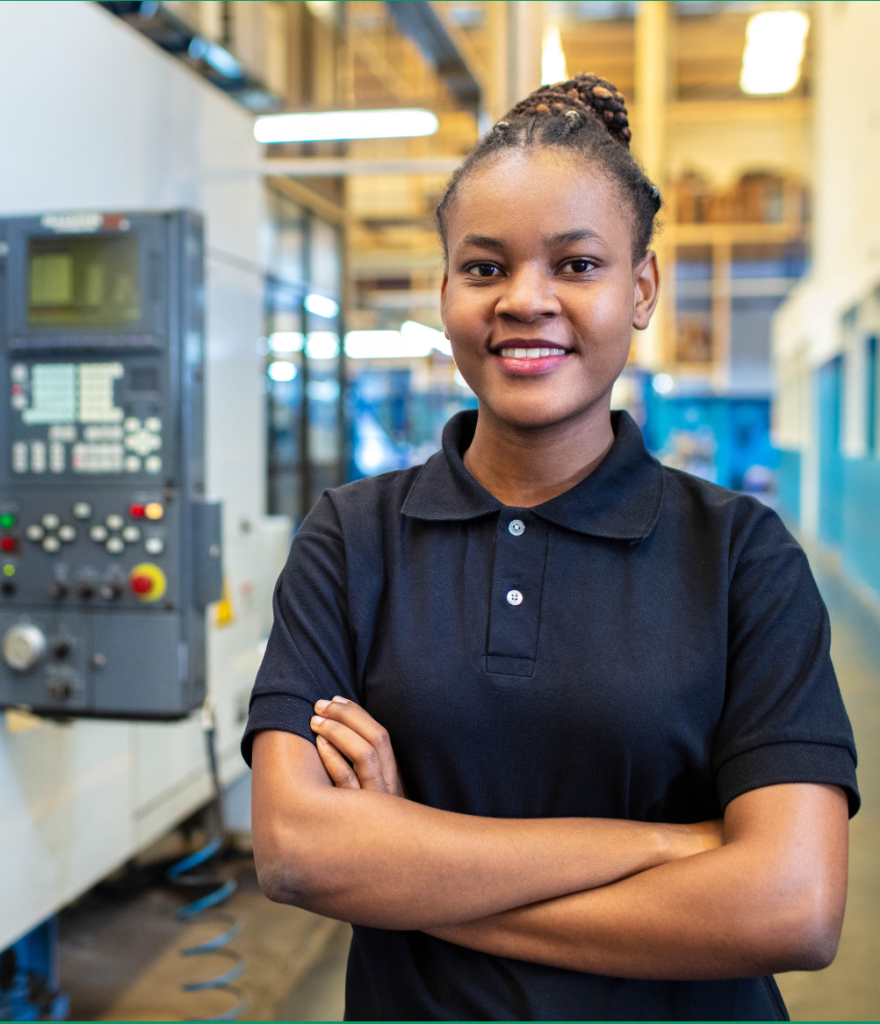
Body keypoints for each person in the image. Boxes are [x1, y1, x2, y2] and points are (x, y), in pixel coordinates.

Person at [244, 74, 859, 1021]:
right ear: (445, 288)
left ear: (641, 287)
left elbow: (791, 906)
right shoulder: (351, 539)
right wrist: (665, 846)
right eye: (484, 268)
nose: (525, 300)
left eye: (576, 265)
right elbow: (299, 852)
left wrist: (408, 859)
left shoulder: (742, 556)